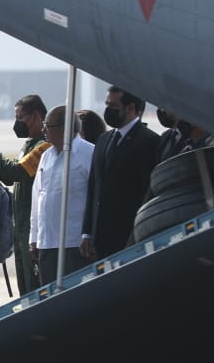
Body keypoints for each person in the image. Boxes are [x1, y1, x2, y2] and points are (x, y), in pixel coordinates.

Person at [0, 94, 50, 294]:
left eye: (20, 118)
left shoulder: (43, 146)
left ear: (35, 116)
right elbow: (10, 178)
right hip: (21, 226)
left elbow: (18, 171)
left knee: (34, 285)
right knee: (24, 286)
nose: (17, 123)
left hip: (32, 228)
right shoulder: (29, 145)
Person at [81, 86, 160, 261]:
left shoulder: (149, 142)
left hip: (129, 236)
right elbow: (93, 188)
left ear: (131, 108)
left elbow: (147, 192)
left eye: (113, 106)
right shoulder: (103, 140)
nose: (107, 111)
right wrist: (87, 232)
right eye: (107, 104)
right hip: (100, 237)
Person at [29, 106, 94, 284]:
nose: (43, 130)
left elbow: (96, 199)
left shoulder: (89, 153)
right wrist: (34, 237)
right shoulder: (46, 156)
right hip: (47, 243)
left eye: (47, 125)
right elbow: (37, 199)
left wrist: (88, 235)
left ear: (65, 128)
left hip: (75, 243)